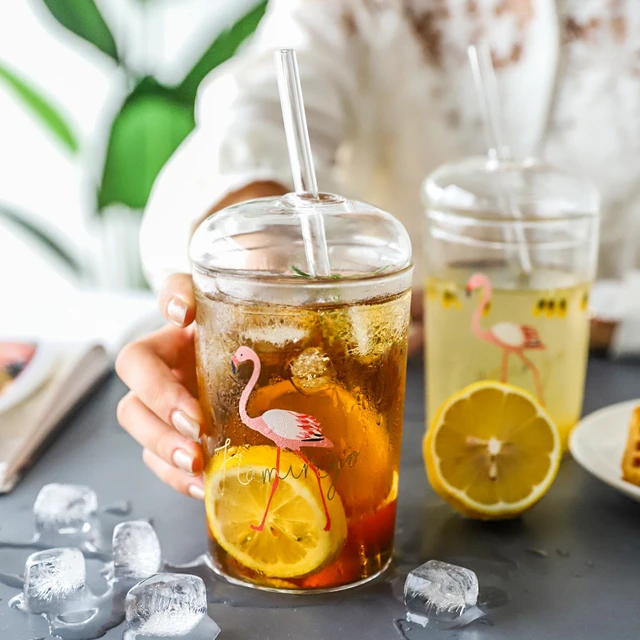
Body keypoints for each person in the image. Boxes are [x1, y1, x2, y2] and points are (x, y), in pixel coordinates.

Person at [115, 0, 640, 499]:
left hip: (603, 403)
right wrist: (255, 263)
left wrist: (589, 317)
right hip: (379, 397)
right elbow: (259, 110)